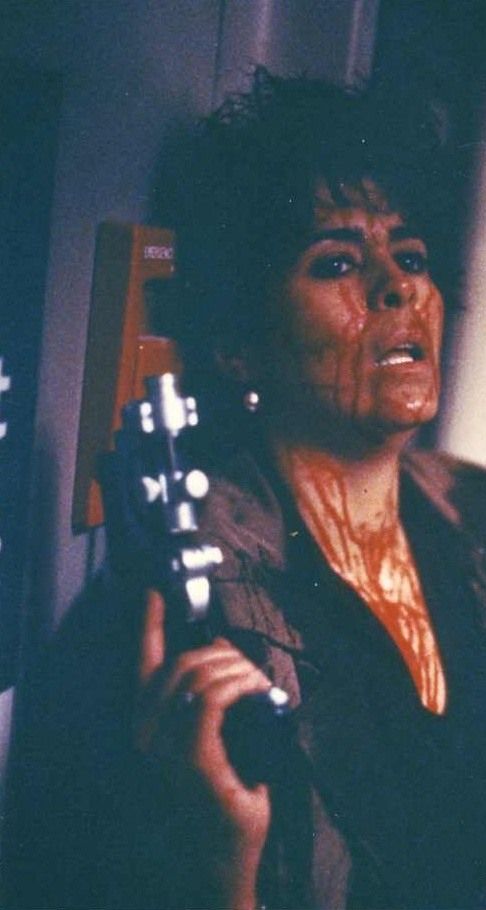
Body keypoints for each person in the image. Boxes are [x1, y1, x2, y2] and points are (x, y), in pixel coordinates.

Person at [6, 69, 486, 910]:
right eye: (337, 262)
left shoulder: (470, 508)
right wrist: (220, 873)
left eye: (410, 257)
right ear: (238, 346)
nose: (400, 286)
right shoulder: (165, 620)